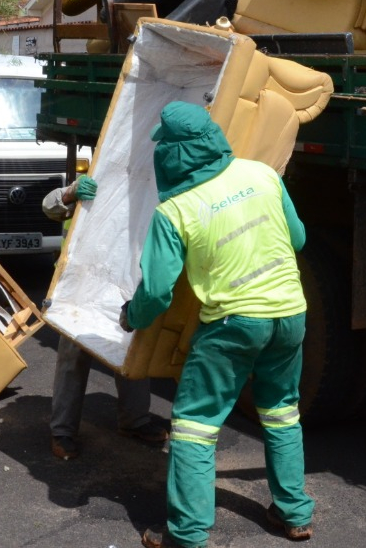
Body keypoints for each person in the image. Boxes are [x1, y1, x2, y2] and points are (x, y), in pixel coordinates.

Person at [127, 102, 313, 548]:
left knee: (194, 425)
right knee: (282, 412)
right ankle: (294, 514)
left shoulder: (175, 210)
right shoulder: (262, 174)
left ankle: (188, 535)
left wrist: (131, 316)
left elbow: (155, 293)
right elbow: (299, 238)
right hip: (290, 313)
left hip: (232, 325)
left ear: (170, 153)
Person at [41, 176, 169, 460]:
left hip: (125, 283)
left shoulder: (153, 184)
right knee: (73, 355)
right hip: (83, 285)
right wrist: (70, 194)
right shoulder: (102, 170)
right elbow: (49, 206)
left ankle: (135, 421)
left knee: (130, 349)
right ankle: (62, 430)